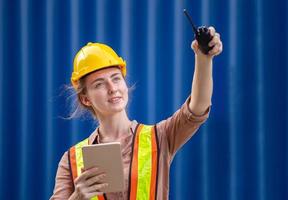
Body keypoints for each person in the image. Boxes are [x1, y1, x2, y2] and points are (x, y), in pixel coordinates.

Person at [50, 26, 223, 200]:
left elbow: (199, 106)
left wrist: (203, 57)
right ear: (85, 99)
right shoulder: (71, 160)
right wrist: (77, 197)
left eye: (116, 78)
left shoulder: (160, 137)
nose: (112, 89)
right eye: (99, 84)